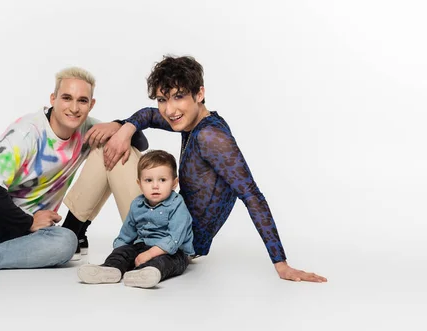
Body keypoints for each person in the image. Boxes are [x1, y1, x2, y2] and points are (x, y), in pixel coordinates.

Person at [67, 56, 327, 283]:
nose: (169, 109)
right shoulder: (189, 120)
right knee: (118, 140)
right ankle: (73, 237)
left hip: (177, 237)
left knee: (105, 149)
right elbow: (148, 115)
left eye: (179, 97)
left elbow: (251, 195)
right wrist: (124, 127)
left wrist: (280, 263)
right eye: (162, 99)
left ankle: (70, 235)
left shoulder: (211, 137)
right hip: (162, 217)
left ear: (199, 94)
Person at [0, 67, 147, 292]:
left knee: (66, 242)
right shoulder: (28, 131)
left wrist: (118, 125)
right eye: (66, 98)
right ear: (53, 99)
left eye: (82, 101)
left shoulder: (87, 130)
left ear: (91, 105)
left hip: (26, 239)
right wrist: (28, 222)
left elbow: (139, 142)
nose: (74, 108)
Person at [77, 150, 194, 288]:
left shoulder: (177, 204)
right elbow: (127, 232)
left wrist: (149, 254)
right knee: (123, 253)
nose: (155, 186)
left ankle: (147, 273)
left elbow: (174, 238)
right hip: (143, 246)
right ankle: (111, 269)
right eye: (148, 180)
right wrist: (120, 252)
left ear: (174, 183)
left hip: (173, 251)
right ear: (139, 183)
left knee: (165, 262)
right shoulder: (137, 204)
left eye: (162, 180)